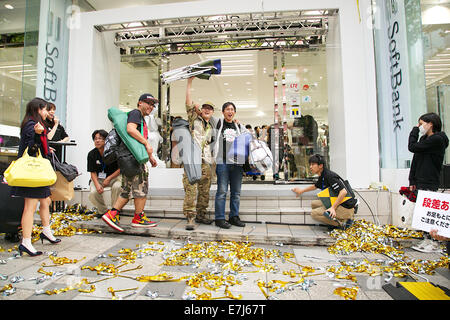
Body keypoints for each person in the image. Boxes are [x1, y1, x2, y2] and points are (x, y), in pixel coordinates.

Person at [10, 97, 61, 257]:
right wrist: (39, 135)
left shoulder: (34, 124)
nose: (48, 112)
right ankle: (25, 241)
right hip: (32, 173)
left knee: (46, 201)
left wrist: (46, 147)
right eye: (45, 109)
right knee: (30, 207)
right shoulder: (32, 126)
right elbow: (31, 148)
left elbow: (37, 146)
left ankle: (46, 231)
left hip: (36, 173)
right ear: (38, 109)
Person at [101, 94, 158, 232]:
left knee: (126, 190)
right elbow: (130, 129)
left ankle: (112, 214)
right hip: (134, 160)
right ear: (140, 103)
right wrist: (146, 143)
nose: (150, 106)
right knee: (141, 189)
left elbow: (135, 140)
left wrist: (149, 156)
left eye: (152, 104)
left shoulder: (140, 117)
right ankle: (138, 218)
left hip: (129, 159)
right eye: (148, 103)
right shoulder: (135, 113)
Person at [408, 112, 449, 253]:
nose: (419, 127)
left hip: (429, 180)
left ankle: (434, 242)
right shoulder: (425, 139)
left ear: (430, 124)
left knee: (429, 212)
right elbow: (416, 159)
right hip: (420, 180)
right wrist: (412, 179)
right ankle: (427, 239)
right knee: (423, 213)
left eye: (421, 124)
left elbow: (412, 147)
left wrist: (414, 130)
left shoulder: (437, 139)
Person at [182, 77, 215, 230]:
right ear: (201, 110)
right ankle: (190, 218)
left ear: (213, 112)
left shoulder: (211, 125)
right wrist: (190, 82)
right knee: (191, 189)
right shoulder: (194, 119)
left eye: (210, 108)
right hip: (192, 161)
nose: (207, 110)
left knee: (204, 191)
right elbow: (189, 102)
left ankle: (201, 215)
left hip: (206, 162)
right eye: (205, 107)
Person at [291, 154, 357, 229]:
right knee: (314, 204)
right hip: (337, 202)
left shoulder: (329, 176)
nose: (310, 167)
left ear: (320, 165)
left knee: (314, 214)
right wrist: (301, 191)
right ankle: (338, 218)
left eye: (313, 164)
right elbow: (315, 186)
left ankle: (342, 223)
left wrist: (333, 208)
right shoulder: (323, 175)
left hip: (346, 207)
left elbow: (343, 192)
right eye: (310, 164)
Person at [213, 101, 249, 229]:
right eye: (227, 109)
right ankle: (220, 218)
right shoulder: (219, 123)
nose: (230, 111)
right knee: (222, 191)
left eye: (232, 109)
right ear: (223, 112)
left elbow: (249, 137)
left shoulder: (239, 126)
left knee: (236, 192)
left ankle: (234, 217)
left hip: (237, 163)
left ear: (234, 112)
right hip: (222, 161)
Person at [87, 129, 122, 216]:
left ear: (106, 140)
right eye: (95, 139)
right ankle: (103, 211)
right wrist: (97, 184)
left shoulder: (114, 152)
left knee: (117, 186)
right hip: (99, 178)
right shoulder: (92, 154)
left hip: (114, 177)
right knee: (93, 192)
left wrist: (109, 178)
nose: (97, 141)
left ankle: (115, 211)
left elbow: (120, 168)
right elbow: (92, 172)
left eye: (100, 138)